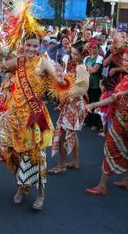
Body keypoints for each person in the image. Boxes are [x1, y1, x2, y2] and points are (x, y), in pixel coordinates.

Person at [0, 0, 69, 211]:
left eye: (36, 46)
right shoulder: (19, 61)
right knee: (14, 154)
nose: (33, 49)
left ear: (41, 47)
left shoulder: (43, 62)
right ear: (23, 46)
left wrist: (63, 80)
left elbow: (58, 83)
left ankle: (40, 193)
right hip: (14, 117)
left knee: (37, 157)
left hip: (34, 118)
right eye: (30, 46)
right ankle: (21, 187)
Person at [85, 44, 128, 196]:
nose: (123, 61)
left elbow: (112, 98)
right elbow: (118, 64)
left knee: (111, 148)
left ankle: (102, 185)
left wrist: (94, 104)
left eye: (127, 59)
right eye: (123, 58)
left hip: (123, 118)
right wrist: (116, 52)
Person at [48, 42, 89, 174]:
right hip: (73, 103)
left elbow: (82, 88)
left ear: (83, 54)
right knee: (71, 133)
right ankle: (75, 161)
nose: (73, 56)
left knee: (62, 135)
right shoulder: (78, 66)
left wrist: (65, 93)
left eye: (76, 54)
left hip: (73, 104)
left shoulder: (81, 67)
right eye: (72, 53)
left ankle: (61, 165)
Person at [84, 40, 104, 131]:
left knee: (95, 104)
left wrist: (88, 69)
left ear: (98, 48)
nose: (93, 49)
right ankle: (88, 121)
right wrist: (89, 69)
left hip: (96, 85)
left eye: (95, 47)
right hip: (87, 84)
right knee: (87, 102)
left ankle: (95, 124)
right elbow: (84, 69)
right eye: (91, 47)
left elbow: (95, 70)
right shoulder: (86, 58)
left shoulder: (99, 58)